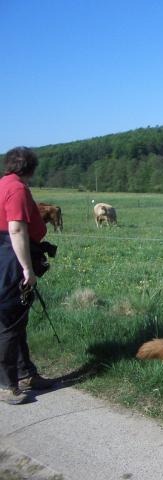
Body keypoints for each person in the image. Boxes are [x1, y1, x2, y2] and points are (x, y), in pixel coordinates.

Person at [0, 147, 55, 404]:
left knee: (17, 318)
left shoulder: (3, 183)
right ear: (32, 168)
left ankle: (26, 373)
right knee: (10, 321)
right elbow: (17, 230)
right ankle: (6, 383)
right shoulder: (17, 189)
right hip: (11, 256)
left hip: (4, 253)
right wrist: (27, 269)